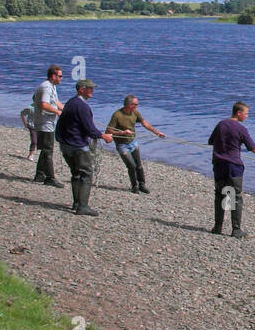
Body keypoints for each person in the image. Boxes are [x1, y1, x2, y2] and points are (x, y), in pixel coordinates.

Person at [207, 100, 255, 237]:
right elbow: (253, 148)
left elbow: (211, 141)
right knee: (235, 197)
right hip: (234, 167)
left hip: (218, 165)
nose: (247, 116)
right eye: (246, 114)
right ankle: (236, 229)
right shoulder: (241, 129)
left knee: (220, 195)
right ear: (239, 113)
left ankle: (217, 227)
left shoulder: (221, 124)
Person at [54, 80, 113, 216]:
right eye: (90, 88)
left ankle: (76, 203)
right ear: (81, 90)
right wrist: (104, 136)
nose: (92, 91)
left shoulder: (70, 102)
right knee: (86, 174)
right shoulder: (82, 107)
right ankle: (83, 206)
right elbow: (90, 129)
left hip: (65, 145)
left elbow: (62, 124)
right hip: (77, 146)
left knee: (76, 173)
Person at [105, 96, 165, 193]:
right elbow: (108, 130)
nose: (137, 106)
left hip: (133, 143)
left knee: (139, 165)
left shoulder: (135, 113)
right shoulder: (117, 115)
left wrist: (157, 132)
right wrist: (123, 133)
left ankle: (142, 185)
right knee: (131, 166)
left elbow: (144, 123)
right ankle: (134, 186)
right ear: (129, 104)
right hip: (122, 145)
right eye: (135, 104)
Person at [32, 64, 64, 186]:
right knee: (48, 150)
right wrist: (57, 112)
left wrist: (67, 110)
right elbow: (44, 104)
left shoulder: (52, 87)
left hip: (49, 122)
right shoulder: (46, 87)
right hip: (44, 123)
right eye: (60, 76)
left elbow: (56, 102)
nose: (61, 78)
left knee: (46, 149)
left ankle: (40, 174)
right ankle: (50, 177)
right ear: (53, 76)